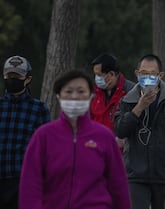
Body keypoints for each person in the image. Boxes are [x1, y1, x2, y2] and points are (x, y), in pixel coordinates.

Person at [19, 69, 130, 209]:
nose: (75, 97)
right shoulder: (43, 137)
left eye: (81, 91)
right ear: (59, 96)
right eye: (69, 91)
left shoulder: (104, 136)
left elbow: (118, 185)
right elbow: (30, 184)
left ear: (91, 96)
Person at [0, 55, 50, 209]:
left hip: (25, 181)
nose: (12, 79)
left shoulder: (39, 109)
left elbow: (45, 148)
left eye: (17, 76)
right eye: (9, 75)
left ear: (27, 79)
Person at [114, 54, 165, 209]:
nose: (147, 77)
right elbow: (120, 130)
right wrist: (139, 107)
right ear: (137, 74)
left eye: (152, 74)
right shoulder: (127, 101)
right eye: (143, 73)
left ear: (160, 76)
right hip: (135, 175)